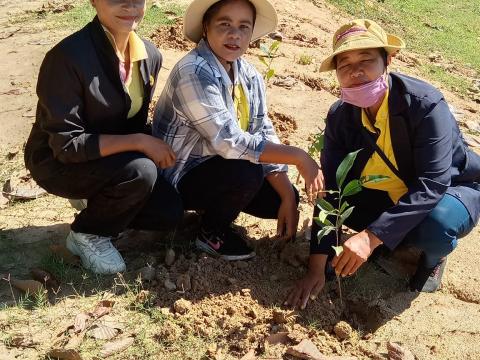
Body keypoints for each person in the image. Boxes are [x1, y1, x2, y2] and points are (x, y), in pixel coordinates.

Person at [286, 19, 480, 309]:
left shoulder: (424, 106)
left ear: (388, 60)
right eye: (345, 65)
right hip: (392, 192)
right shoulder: (342, 116)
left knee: (436, 227)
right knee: (347, 210)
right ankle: (392, 237)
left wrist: (371, 236)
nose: (356, 71)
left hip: (452, 189)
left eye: (367, 60)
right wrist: (316, 267)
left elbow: (433, 182)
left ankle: (434, 257)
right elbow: (333, 191)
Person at [153, 0, 324, 261]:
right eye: (225, 24)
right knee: (247, 172)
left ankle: (214, 210)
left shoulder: (249, 75)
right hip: (180, 172)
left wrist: (288, 194)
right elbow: (229, 142)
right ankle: (211, 233)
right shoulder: (194, 70)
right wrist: (299, 156)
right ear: (206, 27)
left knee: (278, 201)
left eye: (244, 27)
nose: (235, 35)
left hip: (216, 166)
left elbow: (261, 129)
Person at [24, 0, 183, 275]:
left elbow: (131, 119)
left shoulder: (150, 56)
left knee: (168, 212)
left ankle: (99, 199)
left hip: (108, 158)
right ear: (94, 1)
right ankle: (88, 234)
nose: (129, 6)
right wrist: (140, 142)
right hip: (58, 161)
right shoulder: (67, 57)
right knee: (141, 172)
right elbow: (66, 145)